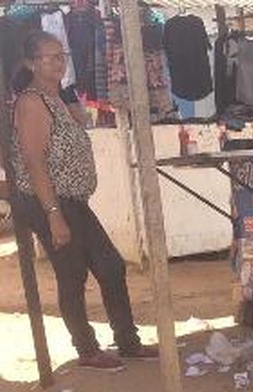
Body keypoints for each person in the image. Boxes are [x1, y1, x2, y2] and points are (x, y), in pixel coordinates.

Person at [12, 31, 156, 370]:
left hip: (72, 200)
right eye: (49, 56)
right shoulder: (32, 101)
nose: (58, 61)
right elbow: (34, 161)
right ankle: (87, 349)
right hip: (50, 201)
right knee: (72, 273)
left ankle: (128, 342)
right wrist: (53, 214)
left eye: (61, 55)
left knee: (110, 265)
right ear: (31, 63)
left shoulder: (58, 97)